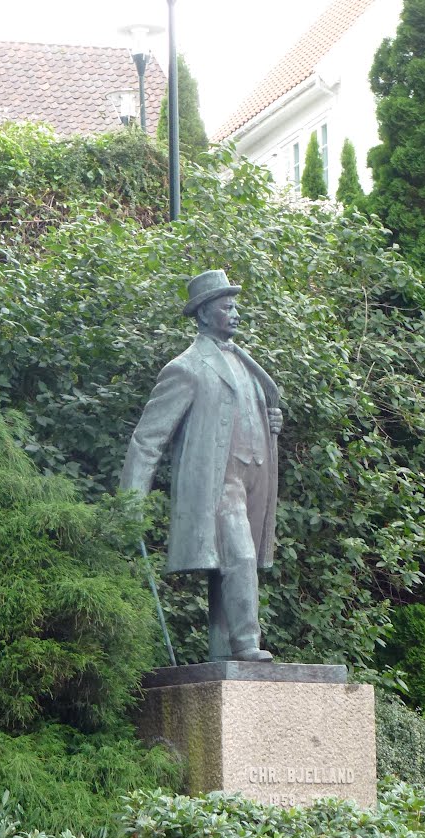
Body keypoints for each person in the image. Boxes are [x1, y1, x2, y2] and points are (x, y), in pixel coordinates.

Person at [121, 269, 282, 662]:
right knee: (240, 556)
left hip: (253, 480)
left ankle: (224, 650)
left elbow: (248, 411)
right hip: (217, 482)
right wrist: (130, 501)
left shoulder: (246, 363)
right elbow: (148, 438)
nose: (236, 313)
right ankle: (246, 644)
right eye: (228, 307)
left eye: (236, 306)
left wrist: (273, 421)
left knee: (234, 561)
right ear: (205, 314)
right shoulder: (187, 367)